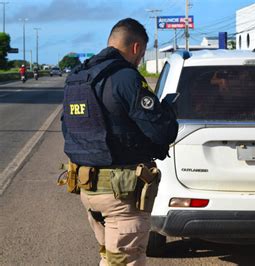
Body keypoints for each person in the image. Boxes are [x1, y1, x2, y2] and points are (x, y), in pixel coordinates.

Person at [61, 18, 178, 265]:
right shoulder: (126, 78)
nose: (140, 60)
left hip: (88, 188)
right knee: (126, 261)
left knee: (111, 258)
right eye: (142, 54)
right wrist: (167, 112)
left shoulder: (79, 78)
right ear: (136, 48)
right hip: (120, 194)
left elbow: (68, 129)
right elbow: (162, 132)